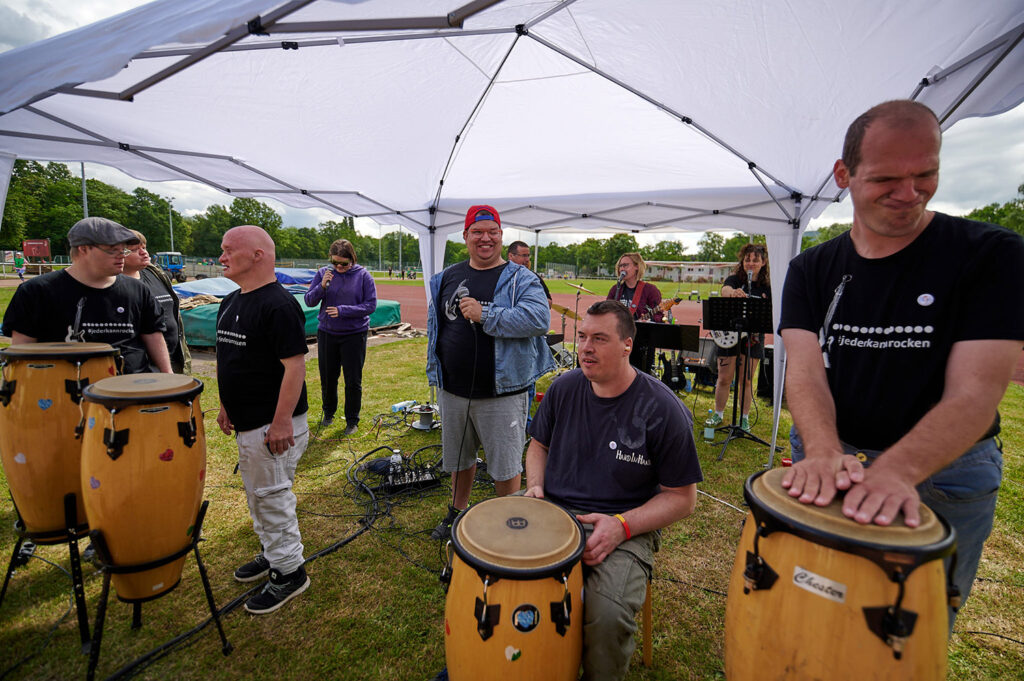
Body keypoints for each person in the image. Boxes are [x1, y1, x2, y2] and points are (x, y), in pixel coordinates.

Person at [779, 100, 1024, 629]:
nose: (909, 193)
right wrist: (821, 450)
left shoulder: (992, 253)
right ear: (843, 175)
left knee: (908, 628)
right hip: (831, 455)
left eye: (926, 174)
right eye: (887, 178)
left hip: (945, 473)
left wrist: (894, 472)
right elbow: (803, 368)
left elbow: (976, 392)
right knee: (816, 608)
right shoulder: (811, 268)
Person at [525, 300, 702, 681]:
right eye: (583, 336)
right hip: (553, 513)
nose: (585, 348)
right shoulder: (563, 388)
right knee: (501, 580)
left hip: (624, 526)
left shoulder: (663, 409)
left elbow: (683, 498)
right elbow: (538, 445)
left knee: (606, 616)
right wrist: (536, 487)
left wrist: (621, 526)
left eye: (599, 339)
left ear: (627, 344)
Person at [426, 205, 555, 540]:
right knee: (457, 459)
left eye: (492, 232)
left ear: (501, 236)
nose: (485, 238)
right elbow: (438, 328)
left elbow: (539, 320)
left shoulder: (521, 277)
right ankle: (456, 513)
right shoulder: (446, 278)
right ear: (466, 236)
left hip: (503, 391)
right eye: (477, 232)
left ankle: (509, 521)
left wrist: (486, 314)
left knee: (505, 464)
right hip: (453, 389)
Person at [215, 225, 311, 615]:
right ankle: (273, 552)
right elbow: (229, 361)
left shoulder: (279, 304)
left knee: (272, 499)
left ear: (257, 255)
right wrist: (226, 406)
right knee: (259, 496)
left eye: (227, 250)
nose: (220, 257)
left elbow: (294, 367)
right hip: (248, 422)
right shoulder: (231, 301)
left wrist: (282, 422)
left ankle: (289, 572)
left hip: (272, 428)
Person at [1, 217, 171, 375]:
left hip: (131, 393)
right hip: (64, 395)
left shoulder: (138, 289)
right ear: (83, 249)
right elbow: (21, 352)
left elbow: (153, 335)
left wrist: (168, 376)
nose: (121, 256)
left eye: (123, 250)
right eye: (113, 250)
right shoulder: (36, 291)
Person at [304, 239, 377, 434]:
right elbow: (309, 300)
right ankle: (328, 413)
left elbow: (370, 305)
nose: (339, 267)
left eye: (343, 263)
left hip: (354, 334)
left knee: (353, 380)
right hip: (327, 333)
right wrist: (322, 286)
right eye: (335, 262)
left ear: (352, 259)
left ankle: (352, 421)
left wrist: (343, 310)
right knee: (328, 377)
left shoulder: (363, 276)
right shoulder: (323, 274)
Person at [706, 243, 770, 431]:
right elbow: (724, 290)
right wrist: (733, 293)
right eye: (747, 259)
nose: (750, 263)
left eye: (755, 260)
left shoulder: (767, 286)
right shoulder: (735, 279)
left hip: (753, 338)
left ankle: (744, 418)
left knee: (747, 380)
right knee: (724, 378)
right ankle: (718, 414)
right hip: (730, 335)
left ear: (763, 262)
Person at [122, 230, 191, 374]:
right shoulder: (115, 285)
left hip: (173, 359)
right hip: (142, 368)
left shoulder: (155, 273)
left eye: (144, 247)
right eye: (135, 250)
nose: (144, 253)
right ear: (118, 253)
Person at [607, 252, 663, 322]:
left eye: (625, 265)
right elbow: (607, 311)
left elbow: (659, 315)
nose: (621, 269)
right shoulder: (615, 289)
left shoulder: (650, 290)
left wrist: (649, 320)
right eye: (620, 266)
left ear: (637, 266)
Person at [507, 241, 553, 306]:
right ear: (511, 256)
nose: (527, 259)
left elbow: (549, 303)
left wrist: (533, 297)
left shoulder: (534, 277)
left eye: (528, 256)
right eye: (524, 256)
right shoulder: (500, 274)